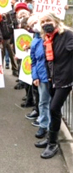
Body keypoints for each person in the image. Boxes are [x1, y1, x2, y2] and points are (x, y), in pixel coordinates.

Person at [35, 12, 73, 159]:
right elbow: (48, 60)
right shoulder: (48, 38)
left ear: (56, 20)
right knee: (53, 109)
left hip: (65, 79)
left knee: (54, 108)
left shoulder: (67, 35)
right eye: (43, 22)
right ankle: (52, 138)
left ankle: (52, 144)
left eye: (48, 20)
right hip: (53, 79)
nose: (45, 24)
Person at [27, 15, 51, 139]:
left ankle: (51, 129)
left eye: (37, 22)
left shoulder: (53, 37)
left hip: (54, 76)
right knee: (43, 102)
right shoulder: (35, 41)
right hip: (42, 76)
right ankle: (43, 126)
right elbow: (34, 60)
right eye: (32, 25)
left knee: (54, 105)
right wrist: (35, 76)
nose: (36, 25)